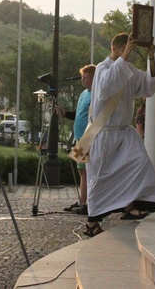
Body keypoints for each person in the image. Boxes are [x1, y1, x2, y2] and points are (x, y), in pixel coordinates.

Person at [83, 33, 155, 237]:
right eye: (127, 49)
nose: (130, 54)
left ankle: (133, 203)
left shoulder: (127, 69)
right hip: (103, 133)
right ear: (119, 48)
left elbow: (148, 85)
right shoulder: (103, 69)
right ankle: (92, 222)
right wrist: (125, 56)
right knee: (100, 177)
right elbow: (105, 88)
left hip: (123, 132)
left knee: (139, 162)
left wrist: (151, 58)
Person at [58, 64, 96, 216]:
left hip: (88, 137)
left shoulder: (96, 95)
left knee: (86, 171)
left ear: (94, 78)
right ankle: (82, 200)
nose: (83, 81)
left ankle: (86, 202)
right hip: (79, 137)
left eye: (85, 78)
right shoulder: (83, 94)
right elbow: (78, 114)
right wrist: (65, 113)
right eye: (82, 78)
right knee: (81, 170)